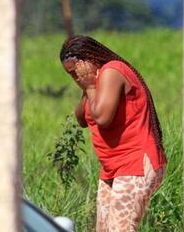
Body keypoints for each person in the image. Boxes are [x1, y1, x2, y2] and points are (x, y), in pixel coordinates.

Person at [59, 35, 166, 232]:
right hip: (112, 167)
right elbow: (82, 119)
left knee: (120, 228)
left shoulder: (112, 72)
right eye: (71, 75)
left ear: (90, 60)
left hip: (135, 163)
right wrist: (86, 87)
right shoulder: (93, 82)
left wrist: (90, 86)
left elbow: (102, 119)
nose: (76, 78)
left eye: (76, 72)